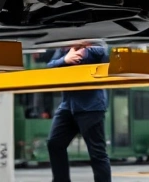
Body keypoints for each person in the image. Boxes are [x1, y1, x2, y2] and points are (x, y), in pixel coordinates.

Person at [46, 42, 110, 182]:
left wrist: (84, 51)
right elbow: (49, 67)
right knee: (55, 143)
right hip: (68, 107)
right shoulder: (64, 49)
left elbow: (104, 51)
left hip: (91, 108)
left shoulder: (95, 48)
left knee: (97, 153)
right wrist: (65, 59)